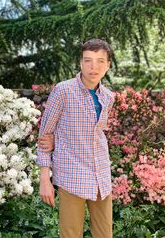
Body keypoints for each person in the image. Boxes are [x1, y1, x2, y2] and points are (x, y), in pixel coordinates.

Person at [36, 38, 115, 238]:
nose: (93, 67)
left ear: (108, 65)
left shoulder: (108, 96)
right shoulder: (63, 91)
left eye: (100, 61)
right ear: (80, 63)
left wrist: (60, 139)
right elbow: (44, 136)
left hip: (101, 176)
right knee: (71, 234)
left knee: (105, 234)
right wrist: (45, 179)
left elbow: (95, 132)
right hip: (72, 175)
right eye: (88, 60)